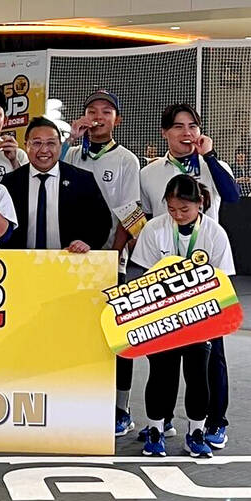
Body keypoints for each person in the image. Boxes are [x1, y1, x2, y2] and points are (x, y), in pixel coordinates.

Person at [139, 103, 239, 447]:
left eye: (192, 126)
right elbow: (144, 215)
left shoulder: (215, 166)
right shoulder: (150, 172)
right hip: (164, 282)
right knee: (162, 360)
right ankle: (161, 420)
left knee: (210, 360)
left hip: (205, 280)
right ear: (165, 133)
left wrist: (209, 157)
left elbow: (233, 197)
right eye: (179, 127)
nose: (187, 133)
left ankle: (214, 422)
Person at [131, 174, 235, 458]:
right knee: (160, 373)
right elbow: (146, 275)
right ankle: (156, 429)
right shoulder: (154, 229)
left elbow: (222, 281)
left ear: (200, 203)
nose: (177, 215)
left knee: (198, 375)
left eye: (184, 209)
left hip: (200, 317)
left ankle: (196, 432)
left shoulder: (215, 233)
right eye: (172, 209)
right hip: (163, 316)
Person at [63, 90, 142, 437]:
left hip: (109, 259)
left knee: (118, 334)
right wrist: (69, 141)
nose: (97, 116)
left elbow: (130, 212)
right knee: (75, 333)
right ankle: (76, 399)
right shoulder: (70, 154)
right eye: (91, 110)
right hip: (69, 259)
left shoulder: (126, 160)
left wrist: (112, 255)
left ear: (117, 121)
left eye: (106, 112)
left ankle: (121, 408)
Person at [0, 116, 112, 251]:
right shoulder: (10, 182)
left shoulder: (82, 179)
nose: (44, 150)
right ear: (26, 145)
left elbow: (103, 222)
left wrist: (88, 242)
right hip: (21, 261)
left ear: (60, 146)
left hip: (70, 260)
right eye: (37, 143)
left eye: (51, 143)